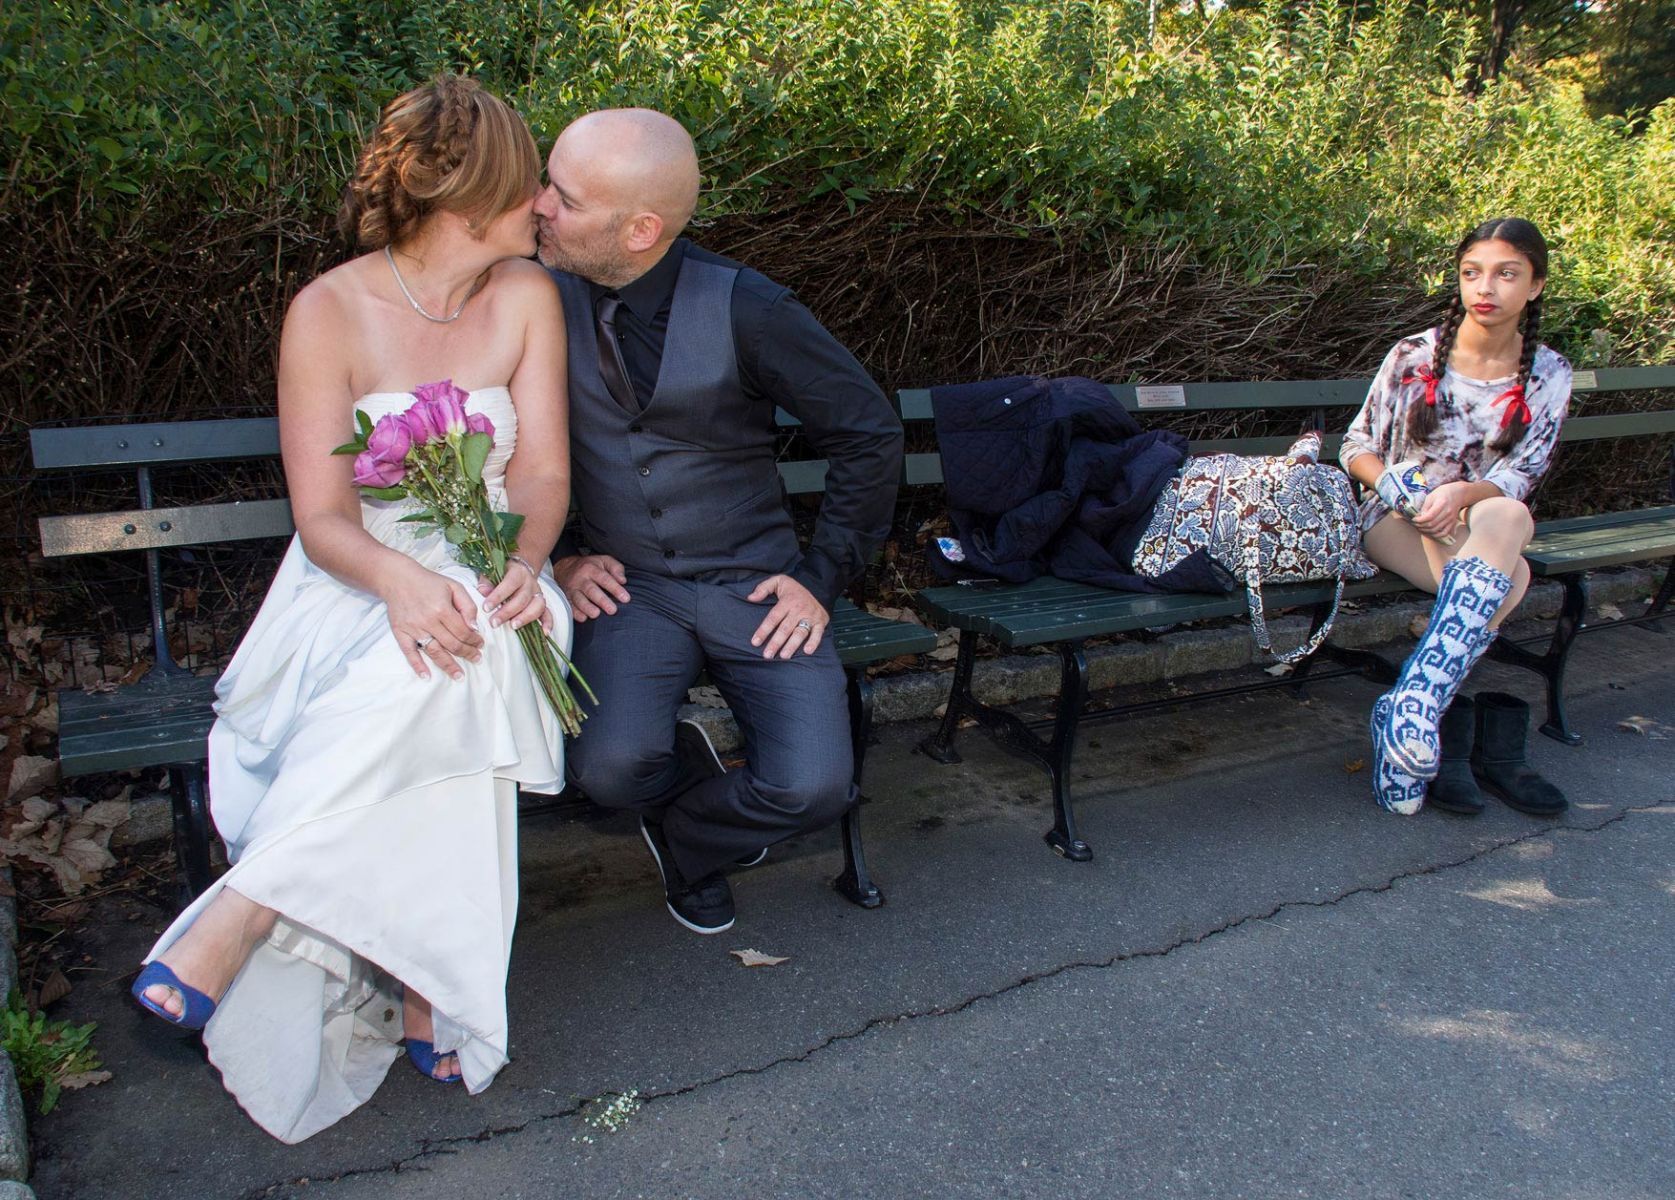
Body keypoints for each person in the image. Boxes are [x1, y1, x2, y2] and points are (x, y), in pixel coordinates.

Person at [128, 76, 573, 1143]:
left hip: (496, 563)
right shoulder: (326, 311)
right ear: (469, 201)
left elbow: (546, 475)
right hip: (355, 573)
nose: (547, 209)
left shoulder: (526, 299)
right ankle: (434, 984)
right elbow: (323, 516)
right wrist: (396, 580)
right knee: (434, 663)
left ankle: (247, 908)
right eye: (530, 190)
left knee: (465, 639)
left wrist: (526, 557)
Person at [532, 108, 903, 935]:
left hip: (754, 584)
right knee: (607, 770)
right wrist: (554, 556)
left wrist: (820, 578)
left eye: (563, 195)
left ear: (640, 229)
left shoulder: (750, 308)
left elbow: (869, 433)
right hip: (630, 589)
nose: (538, 206)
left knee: (812, 789)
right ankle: (668, 796)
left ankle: (690, 836)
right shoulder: (531, 297)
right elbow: (498, 441)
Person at [1342, 217, 1571, 818]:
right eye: (1472, 273)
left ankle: (1415, 711)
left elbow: (1525, 468)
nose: (1485, 288)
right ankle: (1423, 714)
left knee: (1508, 510)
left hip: (1476, 523)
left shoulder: (1549, 372)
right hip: (1395, 519)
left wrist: (1462, 496)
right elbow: (1355, 444)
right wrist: (1400, 488)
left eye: (1505, 274)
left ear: (1536, 286)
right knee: (1512, 577)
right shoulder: (1413, 354)